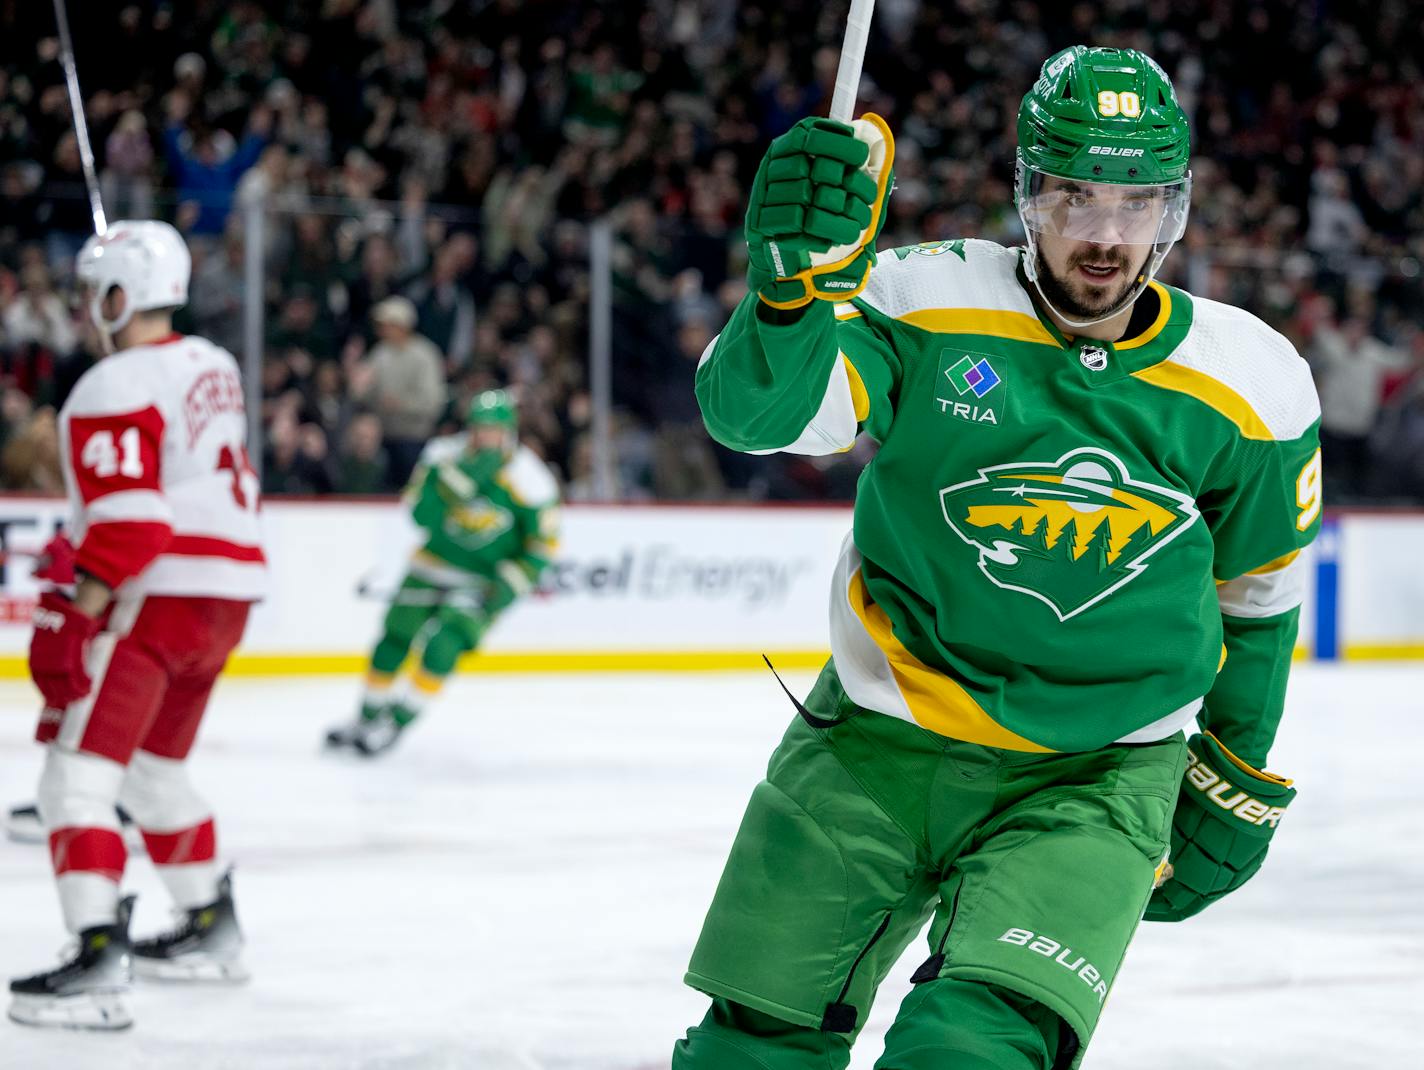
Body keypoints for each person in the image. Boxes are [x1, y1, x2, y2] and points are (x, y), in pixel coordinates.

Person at [674, 47, 1322, 1070]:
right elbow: (760, 417)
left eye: (1136, 202)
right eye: (1073, 197)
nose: (1105, 237)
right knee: (749, 1052)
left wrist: (1235, 769)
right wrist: (789, 301)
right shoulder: (919, 300)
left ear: (1175, 208)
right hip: (870, 744)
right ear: (1027, 194)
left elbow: (1260, 600)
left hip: (1095, 773)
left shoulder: (1252, 382)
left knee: (972, 1051)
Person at [8, 221, 267, 1031]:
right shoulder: (213, 364)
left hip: (159, 594)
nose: (90, 310)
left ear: (121, 294)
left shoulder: (113, 382)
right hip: (227, 595)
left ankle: (96, 960)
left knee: (75, 781)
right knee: (154, 770)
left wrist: (77, 614)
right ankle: (208, 924)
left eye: (96, 293)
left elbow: (130, 524)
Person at [325, 389, 559, 757]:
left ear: (509, 430)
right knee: (394, 639)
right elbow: (420, 516)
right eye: (480, 428)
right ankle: (366, 717)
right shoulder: (443, 455)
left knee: (442, 649)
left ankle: (395, 723)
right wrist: (461, 482)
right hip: (431, 565)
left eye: (494, 429)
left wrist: (509, 584)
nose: (486, 437)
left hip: (481, 581)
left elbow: (542, 545)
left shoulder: (530, 478)